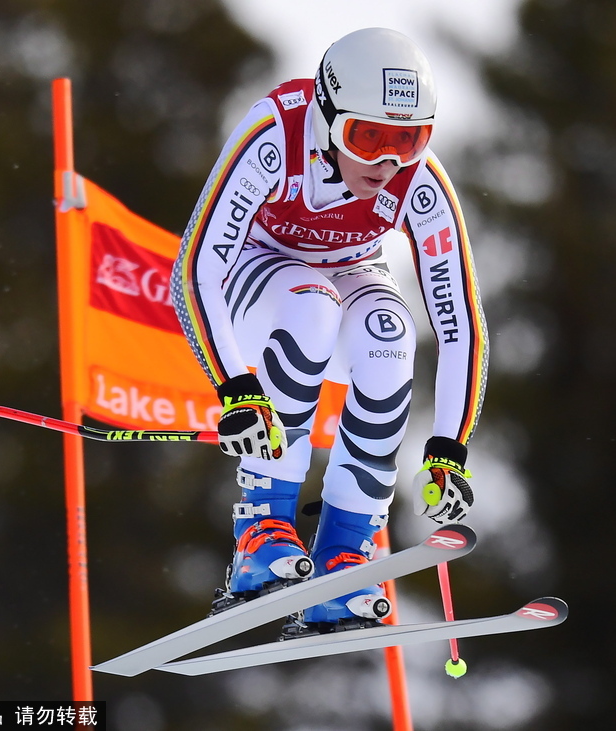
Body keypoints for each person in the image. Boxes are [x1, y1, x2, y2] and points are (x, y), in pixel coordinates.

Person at [170, 27, 487, 634]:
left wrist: (450, 449)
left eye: (409, 140)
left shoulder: (419, 184)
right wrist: (235, 386)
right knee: (311, 306)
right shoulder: (274, 138)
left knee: (389, 334)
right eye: (367, 138)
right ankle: (260, 531)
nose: (388, 164)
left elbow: (462, 325)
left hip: (352, 271)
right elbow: (194, 270)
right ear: (327, 114)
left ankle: (346, 550)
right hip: (254, 275)